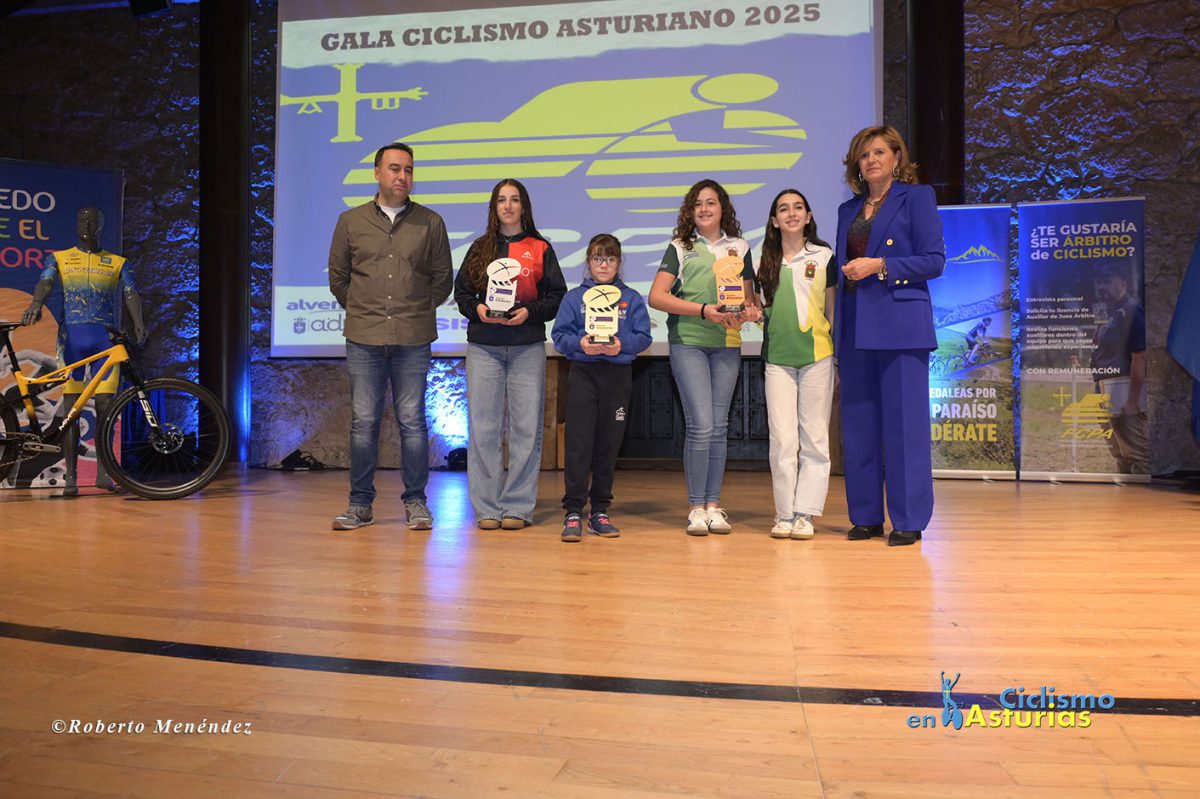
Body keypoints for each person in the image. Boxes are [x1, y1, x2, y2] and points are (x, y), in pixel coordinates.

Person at [327, 142, 453, 531]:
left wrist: (415, 311)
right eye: (395, 168)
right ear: (377, 173)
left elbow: (442, 280)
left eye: (409, 170)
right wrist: (365, 310)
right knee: (363, 422)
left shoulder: (430, 223)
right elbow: (338, 278)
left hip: (413, 337)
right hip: (363, 337)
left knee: (412, 422)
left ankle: (416, 503)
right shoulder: (350, 221)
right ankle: (360, 505)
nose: (402, 176)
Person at [835, 125, 945, 547]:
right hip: (855, 326)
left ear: (897, 157)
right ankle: (865, 516)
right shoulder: (848, 209)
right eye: (864, 155)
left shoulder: (917, 198)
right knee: (858, 427)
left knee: (904, 429)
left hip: (901, 328)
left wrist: (880, 265)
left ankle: (909, 519)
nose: (871, 160)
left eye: (879, 152)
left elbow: (934, 260)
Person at [648, 179, 761, 536]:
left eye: (711, 202)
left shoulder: (740, 247)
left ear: (722, 207)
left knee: (719, 427)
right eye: (697, 204)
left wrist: (749, 313)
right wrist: (702, 310)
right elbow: (656, 296)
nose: (704, 209)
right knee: (701, 425)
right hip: (689, 342)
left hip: (727, 342)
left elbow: (749, 299)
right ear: (690, 211)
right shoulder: (680, 246)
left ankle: (714, 506)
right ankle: (696, 507)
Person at [454, 179, 566, 530]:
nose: (508, 206)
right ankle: (487, 508)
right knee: (483, 429)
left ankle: (517, 506)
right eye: (501, 200)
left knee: (525, 429)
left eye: (514, 199)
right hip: (484, 347)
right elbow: (462, 294)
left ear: (524, 206)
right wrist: (479, 310)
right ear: (494, 207)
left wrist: (529, 312)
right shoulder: (479, 248)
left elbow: (556, 296)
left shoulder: (540, 247)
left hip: (526, 347)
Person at [22, 206, 146, 497]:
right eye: (82, 220)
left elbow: (130, 292)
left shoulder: (117, 262)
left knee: (105, 409)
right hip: (72, 342)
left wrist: (139, 322)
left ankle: (104, 474)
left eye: (93, 221)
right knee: (72, 411)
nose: (87, 224)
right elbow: (46, 281)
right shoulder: (60, 258)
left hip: (106, 341)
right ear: (76, 224)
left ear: (101, 226)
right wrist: (36, 302)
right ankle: (71, 478)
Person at [551, 234, 652, 542]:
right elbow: (560, 335)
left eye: (610, 259)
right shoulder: (574, 298)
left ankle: (599, 511)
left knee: (609, 444)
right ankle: (573, 511)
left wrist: (623, 344)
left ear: (619, 263)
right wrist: (580, 344)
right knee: (579, 444)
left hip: (618, 376)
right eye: (597, 258)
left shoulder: (631, 298)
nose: (604, 265)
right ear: (588, 262)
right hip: (584, 373)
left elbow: (644, 336)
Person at [756, 189, 836, 540]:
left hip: (818, 357)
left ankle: (806, 514)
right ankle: (784, 513)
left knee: (815, 440)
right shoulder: (763, 260)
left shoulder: (824, 256)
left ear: (808, 216)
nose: (791, 213)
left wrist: (836, 355)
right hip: (778, 361)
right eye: (783, 209)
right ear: (774, 220)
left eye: (798, 207)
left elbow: (832, 310)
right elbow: (757, 309)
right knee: (783, 441)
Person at [1090, 264, 1148, 474]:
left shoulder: (1132, 311)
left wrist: (1132, 400)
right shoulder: (1108, 310)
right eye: (1098, 282)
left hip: (1122, 388)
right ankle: (1125, 490)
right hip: (1103, 386)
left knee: (1137, 453)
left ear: (1123, 282)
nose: (1101, 287)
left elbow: (1139, 357)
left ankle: (1141, 493)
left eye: (1107, 281)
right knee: (1118, 451)